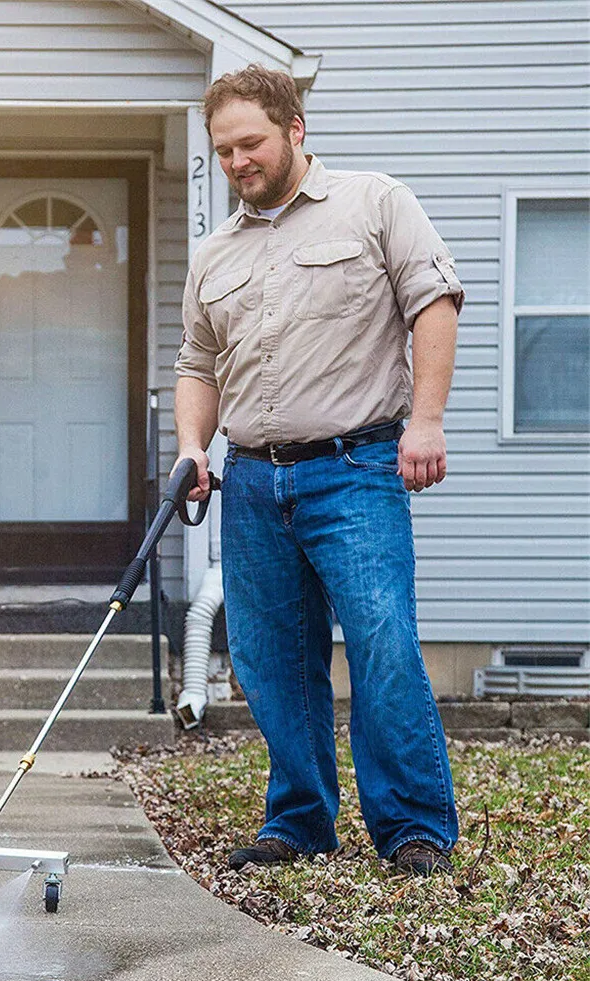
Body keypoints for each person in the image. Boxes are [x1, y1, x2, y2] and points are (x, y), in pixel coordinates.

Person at [173, 65, 464, 877]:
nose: (237, 161)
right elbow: (198, 365)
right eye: (224, 149)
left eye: (251, 142)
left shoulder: (374, 203)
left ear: (294, 130)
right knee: (268, 656)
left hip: (357, 467)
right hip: (254, 483)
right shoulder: (214, 254)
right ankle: (299, 820)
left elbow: (433, 303)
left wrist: (428, 421)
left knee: (382, 645)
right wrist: (194, 447)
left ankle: (411, 827)